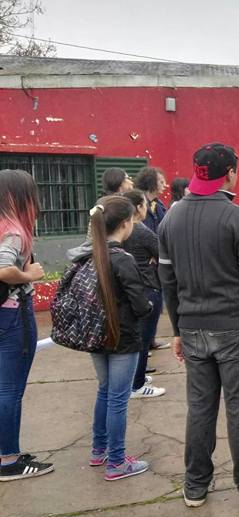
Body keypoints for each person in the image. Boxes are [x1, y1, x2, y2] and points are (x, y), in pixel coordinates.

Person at [158, 143, 239, 511]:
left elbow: (167, 281)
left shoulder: (171, 219)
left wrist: (178, 330)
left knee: (200, 408)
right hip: (236, 329)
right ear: (230, 173)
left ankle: (195, 485)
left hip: (193, 329)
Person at [64, 197, 154, 481]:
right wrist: (148, 307)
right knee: (118, 398)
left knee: (104, 391)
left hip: (94, 334)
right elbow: (139, 304)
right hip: (122, 338)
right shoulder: (122, 259)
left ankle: (99, 450)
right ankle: (116, 461)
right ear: (126, 224)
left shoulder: (88, 256)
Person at [0, 169, 52, 482]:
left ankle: (7, 452)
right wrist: (28, 275)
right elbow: (3, 268)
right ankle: (9, 461)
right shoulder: (14, 232)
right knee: (10, 390)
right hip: (12, 316)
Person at [120, 190, 166, 399]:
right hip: (147, 286)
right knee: (143, 338)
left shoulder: (119, 229)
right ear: (138, 208)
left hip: (129, 289)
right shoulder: (141, 230)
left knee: (135, 337)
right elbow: (163, 252)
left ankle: (135, 378)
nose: (147, 208)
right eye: (145, 205)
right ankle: (137, 385)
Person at [134, 167, 167, 234]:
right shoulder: (137, 202)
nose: (165, 185)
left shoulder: (159, 205)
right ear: (151, 182)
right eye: (161, 182)